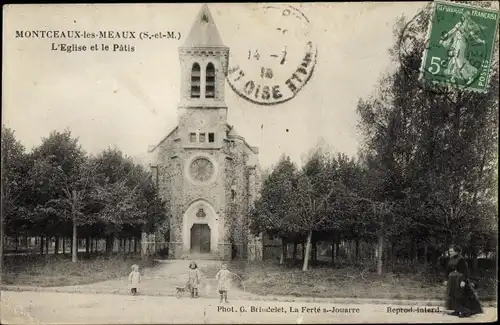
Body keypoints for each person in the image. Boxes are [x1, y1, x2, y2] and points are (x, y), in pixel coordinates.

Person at [443, 245, 483, 318]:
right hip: (452, 280)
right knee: (453, 295)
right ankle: (457, 310)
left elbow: (466, 271)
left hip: (459, 279)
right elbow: (447, 270)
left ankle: (466, 312)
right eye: (449, 251)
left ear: (457, 251)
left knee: (460, 295)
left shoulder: (461, 259)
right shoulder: (450, 259)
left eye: (451, 251)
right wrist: (446, 279)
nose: (450, 252)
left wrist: (464, 281)